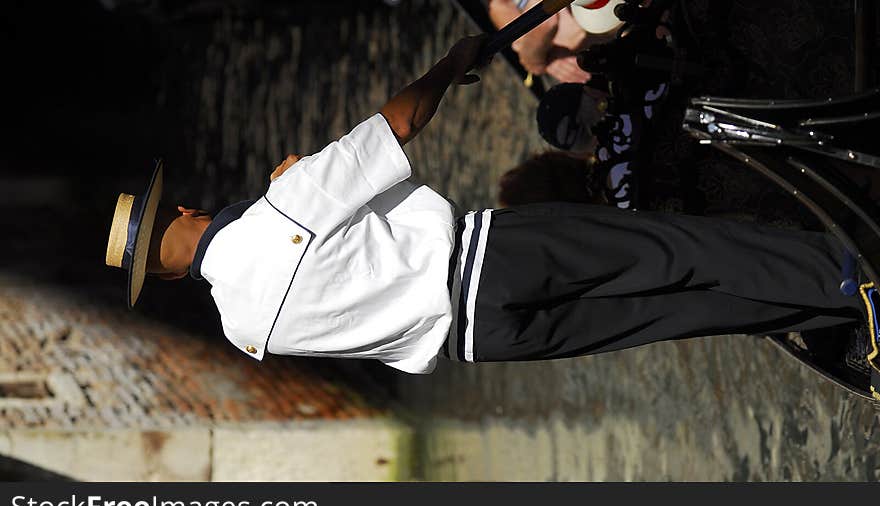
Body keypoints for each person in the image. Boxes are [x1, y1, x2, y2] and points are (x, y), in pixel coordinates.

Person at [105, 35, 874, 397]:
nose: (179, 202)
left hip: (489, 340)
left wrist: (297, 190)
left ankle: (845, 304)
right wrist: (451, 64)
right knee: (678, 250)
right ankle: (854, 275)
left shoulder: (246, 334)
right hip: (491, 260)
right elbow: (395, 127)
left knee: (678, 311)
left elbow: (349, 274)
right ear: (170, 232)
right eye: (166, 209)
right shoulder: (277, 211)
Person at [487, 0, 623, 83]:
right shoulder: (500, 5)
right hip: (601, 63)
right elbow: (531, 62)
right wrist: (544, 56)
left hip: (623, 34)